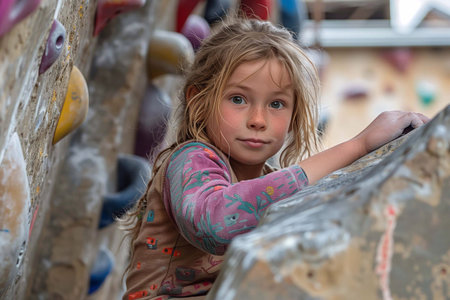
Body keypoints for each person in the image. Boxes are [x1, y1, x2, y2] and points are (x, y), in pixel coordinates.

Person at [121, 18, 429, 300]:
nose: (258, 119)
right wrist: (357, 146)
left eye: (277, 104)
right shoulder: (190, 160)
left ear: (294, 114)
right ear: (198, 101)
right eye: (238, 99)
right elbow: (216, 224)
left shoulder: (268, 178)